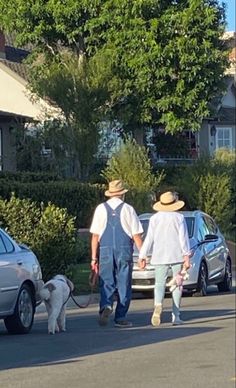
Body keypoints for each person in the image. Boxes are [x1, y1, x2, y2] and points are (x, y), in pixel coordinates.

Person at [90, 179, 143, 328]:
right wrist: (142, 255)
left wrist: (94, 258)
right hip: (124, 248)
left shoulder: (100, 209)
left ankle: (106, 306)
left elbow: (95, 236)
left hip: (105, 248)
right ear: (122, 194)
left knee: (106, 281)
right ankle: (120, 317)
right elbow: (136, 235)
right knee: (124, 283)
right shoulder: (128, 209)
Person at [138, 191, 191, 327]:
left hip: (159, 255)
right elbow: (183, 239)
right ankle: (176, 315)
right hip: (176, 255)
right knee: (177, 284)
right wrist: (186, 256)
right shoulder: (179, 218)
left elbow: (149, 238)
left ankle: (158, 305)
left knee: (159, 283)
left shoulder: (154, 219)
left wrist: (142, 255)